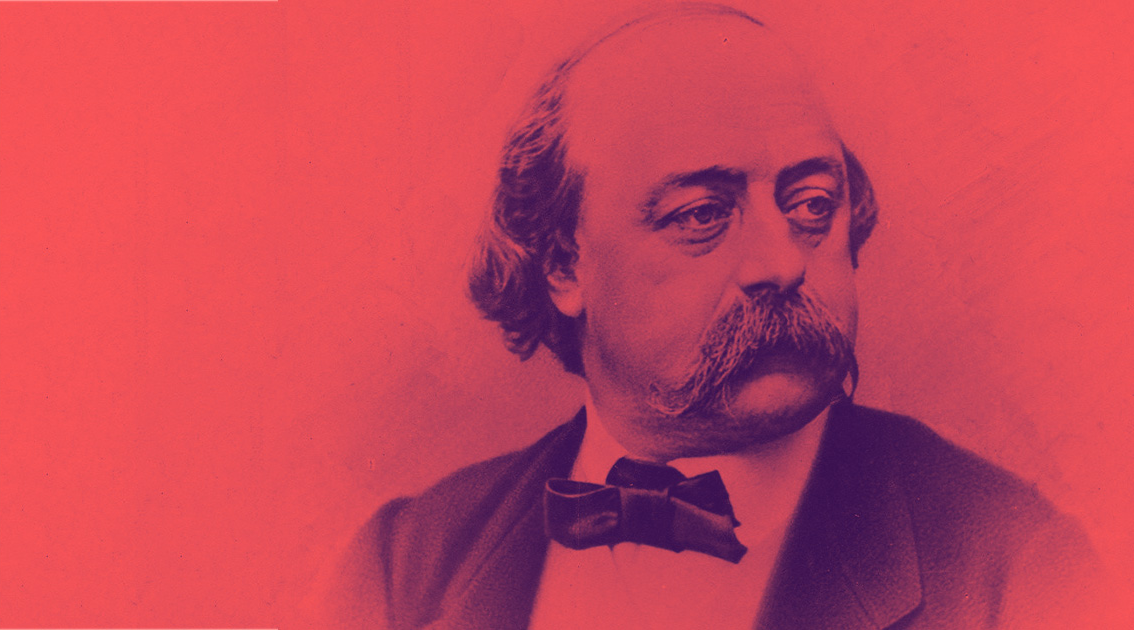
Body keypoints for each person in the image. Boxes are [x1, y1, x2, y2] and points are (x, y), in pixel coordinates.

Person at [314, 4, 1100, 629]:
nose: (781, 263)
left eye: (811, 204)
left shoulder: (1017, 569)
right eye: (701, 214)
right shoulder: (403, 571)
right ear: (563, 264)